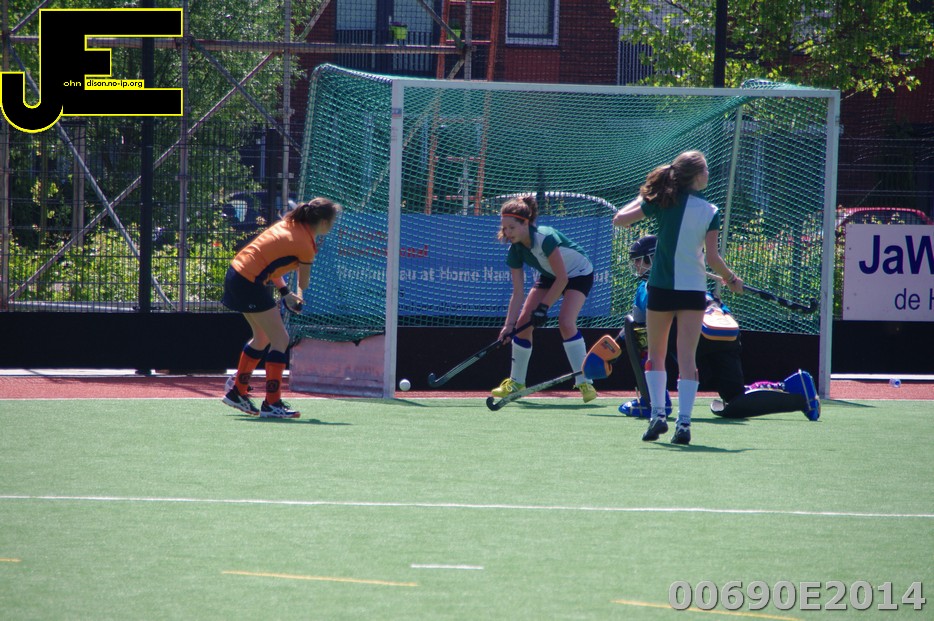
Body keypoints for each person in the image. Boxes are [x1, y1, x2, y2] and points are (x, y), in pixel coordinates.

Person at [613, 150, 743, 444]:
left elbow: (619, 220)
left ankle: (658, 416)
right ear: (695, 176)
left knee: (656, 356)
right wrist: (732, 279)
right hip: (693, 292)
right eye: (705, 170)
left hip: (661, 288)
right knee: (687, 359)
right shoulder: (710, 210)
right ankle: (683, 423)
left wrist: (646, 196)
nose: (708, 174)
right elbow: (713, 258)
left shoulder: (662, 201)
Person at [618, 235, 820, 421]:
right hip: (726, 332)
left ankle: (652, 401)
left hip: (694, 334)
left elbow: (637, 326)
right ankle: (796, 389)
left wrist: (614, 349)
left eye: (640, 261)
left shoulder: (648, 286)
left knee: (638, 331)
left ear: (654, 258)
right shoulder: (692, 278)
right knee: (735, 397)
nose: (636, 266)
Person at [221, 197, 341, 418]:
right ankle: (272, 403)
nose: (332, 226)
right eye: (332, 221)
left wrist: (285, 293)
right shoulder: (305, 245)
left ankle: (237, 391)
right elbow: (304, 282)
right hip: (249, 282)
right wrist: (299, 290)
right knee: (280, 339)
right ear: (324, 222)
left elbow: (271, 265)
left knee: (262, 337)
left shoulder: (289, 224)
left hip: (237, 275)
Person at [491, 195, 598, 403]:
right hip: (551, 275)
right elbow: (518, 293)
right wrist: (508, 326)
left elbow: (563, 279)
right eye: (504, 228)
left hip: (579, 274)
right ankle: (516, 382)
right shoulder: (515, 250)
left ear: (525, 223)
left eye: (512, 227)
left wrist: (543, 307)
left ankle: (585, 381)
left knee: (566, 322)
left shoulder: (545, 238)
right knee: (522, 324)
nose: (507, 233)